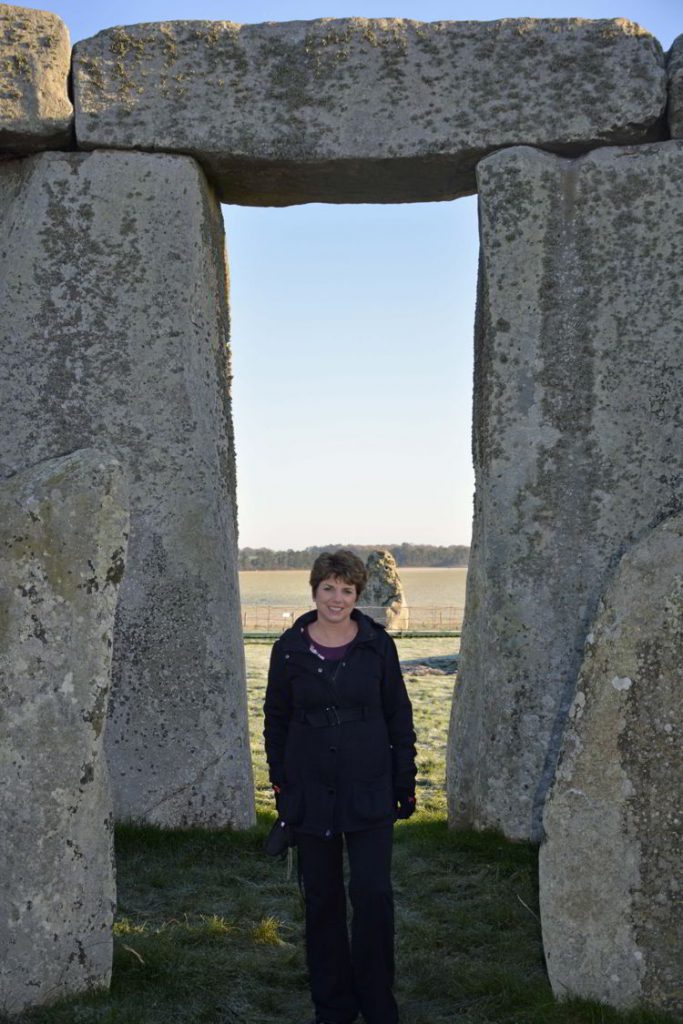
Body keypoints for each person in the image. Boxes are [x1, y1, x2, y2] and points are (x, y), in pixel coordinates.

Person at [264, 549, 417, 1024]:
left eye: (346, 590)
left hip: (369, 786)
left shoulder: (378, 646)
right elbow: (276, 719)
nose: (336, 598)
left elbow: (399, 715)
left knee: (372, 895)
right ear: (314, 591)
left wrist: (404, 782)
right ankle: (332, 1005)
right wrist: (282, 783)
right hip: (310, 791)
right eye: (328, 588)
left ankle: (377, 1002)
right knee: (322, 898)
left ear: (357, 595)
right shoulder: (288, 649)